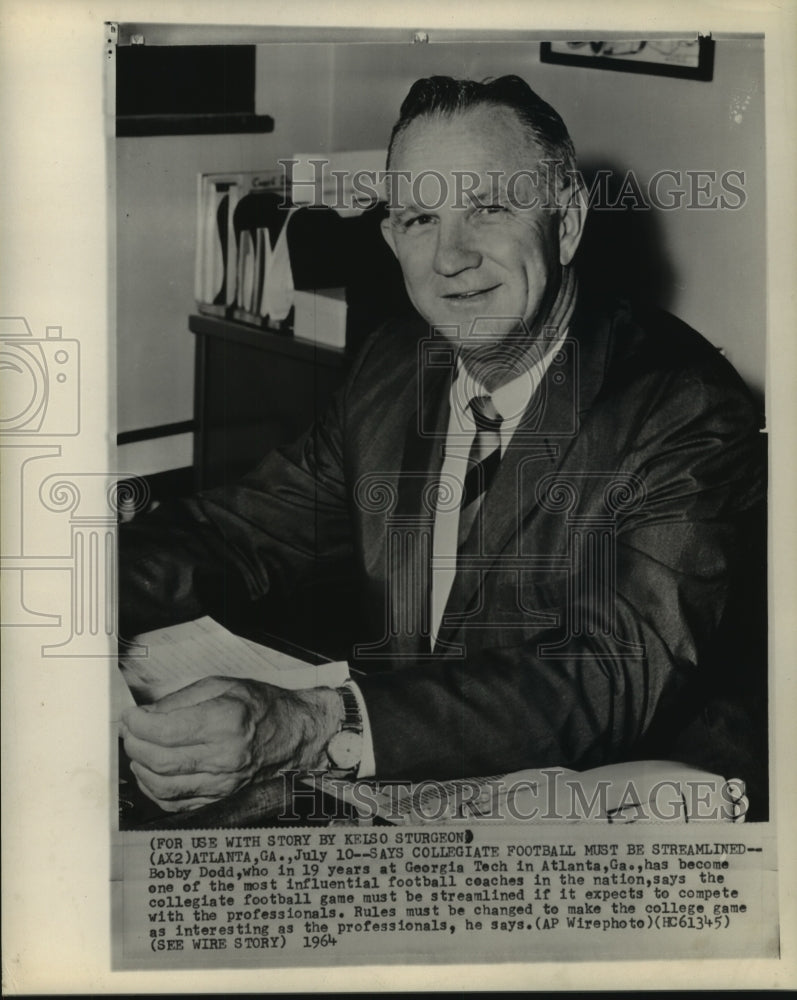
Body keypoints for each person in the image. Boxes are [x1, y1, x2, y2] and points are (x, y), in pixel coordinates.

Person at [119, 75, 766, 816]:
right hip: (418, 784)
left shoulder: (682, 406)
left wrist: (318, 723)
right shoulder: (394, 367)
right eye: (420, 218)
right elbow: (239, 533)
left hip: (611, 807)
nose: (450, 256)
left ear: (565, 224)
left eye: (488, 207)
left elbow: (613, 675)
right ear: (391, 239)